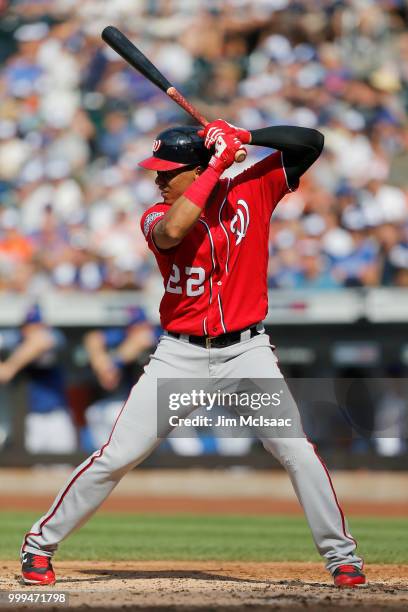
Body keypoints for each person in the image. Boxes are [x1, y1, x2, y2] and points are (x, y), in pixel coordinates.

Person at [20, 121, 365, 588]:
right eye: (156, 172)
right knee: (118, 455)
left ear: (196, 168)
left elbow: (312, 142)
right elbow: (173, 230)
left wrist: (244, 133)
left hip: (247, 352)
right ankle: (39, 546)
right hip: (179, 359)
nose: (157, 179)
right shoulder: (153, 216)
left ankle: (342, 558)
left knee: (296, 451)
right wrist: (219, 162)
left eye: (168, 171)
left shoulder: (252, 188)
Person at [0, 304, 76, 454]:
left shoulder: (54, 336)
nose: (32, 330)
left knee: (63, 469)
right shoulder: (16, 339)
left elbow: (42, 341)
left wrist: (10, 367)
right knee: (33, 472)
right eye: (29, 326)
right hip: (29, 417)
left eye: (37, 325)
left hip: (57, 416)